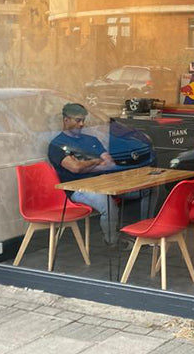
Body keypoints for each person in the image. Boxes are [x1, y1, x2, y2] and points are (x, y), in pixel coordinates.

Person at [47, 103, 154, 246]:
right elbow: (75, 169)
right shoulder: (57, 144)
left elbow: (109, 163)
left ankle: (146, 232)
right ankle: (112, 241)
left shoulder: (91, 140)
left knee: (148, 189)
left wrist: (85, 164)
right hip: (79, 188)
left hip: (105, 183)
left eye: (83, 120)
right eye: (78, 120)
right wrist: (96, 161)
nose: (82, 124)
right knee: (108, 205)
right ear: (66, 120)